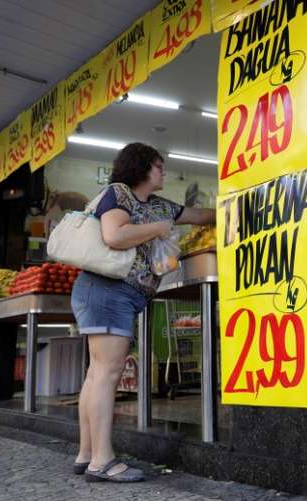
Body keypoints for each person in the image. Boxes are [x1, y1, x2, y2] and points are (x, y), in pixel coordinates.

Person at [70, 143, 215, 482]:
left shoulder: (160, 205)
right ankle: (102, 461)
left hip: (115, 293)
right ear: (141, 167)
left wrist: (236, 205)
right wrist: (159, 229)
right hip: (105, 289)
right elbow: (114, 235)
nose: (164, 172)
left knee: (97, 374)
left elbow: (200, 216)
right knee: (106, 373)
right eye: (159, 166)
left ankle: (86, 454)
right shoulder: (119, 194)